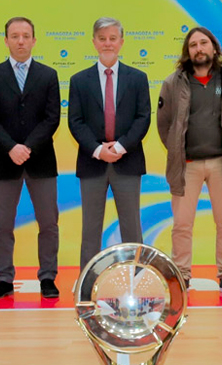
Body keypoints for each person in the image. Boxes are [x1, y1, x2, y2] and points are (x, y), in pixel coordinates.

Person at [157, 27, 222, 295]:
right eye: (193, 44)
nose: (199, 48)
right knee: (182, 224)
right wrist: (176, 151)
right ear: (187, 51)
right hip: (187, 165)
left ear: (214, 48)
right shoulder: (173, 83)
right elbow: (164, 124)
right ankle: (181, 274)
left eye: (204, 43)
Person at [0, 16, 61, 299]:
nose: (20, 41)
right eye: (14, 36)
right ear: (6, 41)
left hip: (41, 161)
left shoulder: (49, 75)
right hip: (5, 161)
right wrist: (11, 147)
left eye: (26, 35)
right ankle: (3, 279)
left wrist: (27, 147)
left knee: (49, 223)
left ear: (34, 40)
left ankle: (48, 277)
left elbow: (52, 118)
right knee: (2, 225)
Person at [68, 17, 151, 269]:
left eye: (112, 38)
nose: (107, 43)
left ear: (121, 42)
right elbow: (75, 121)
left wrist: (119, 147)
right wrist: (98, 149)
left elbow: (143, 118)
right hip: (92, 162)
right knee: (90, 228)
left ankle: (137, 278)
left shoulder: (138, 78)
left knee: (131, 227)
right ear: (94, 42)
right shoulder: (79, 80)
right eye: (102, 38)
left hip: (128, 161)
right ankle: (88, 281)